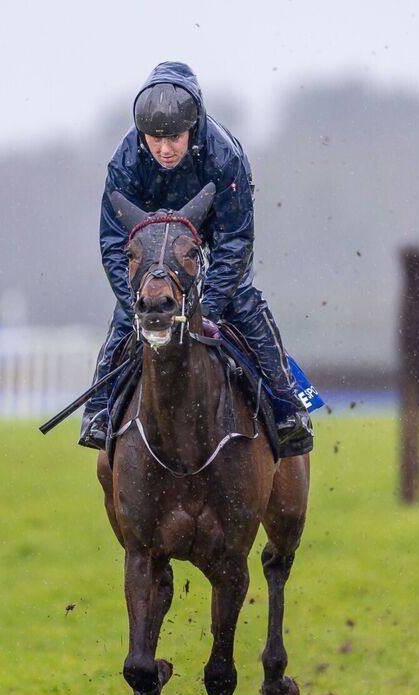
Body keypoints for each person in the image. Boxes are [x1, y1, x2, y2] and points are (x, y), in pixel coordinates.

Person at [80, 61, 313, 456]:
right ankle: (99, 410)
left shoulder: (225, 157)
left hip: (209, 243)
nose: (165, 149)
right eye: (154, 139)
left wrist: (212, 308)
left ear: (193, 127)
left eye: (174, 138)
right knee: (127, 317)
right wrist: (135, 301)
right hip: (151, 249)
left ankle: (289, 406)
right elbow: (113, 242)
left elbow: (236, 238)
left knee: (244, 302)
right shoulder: (124, 163)